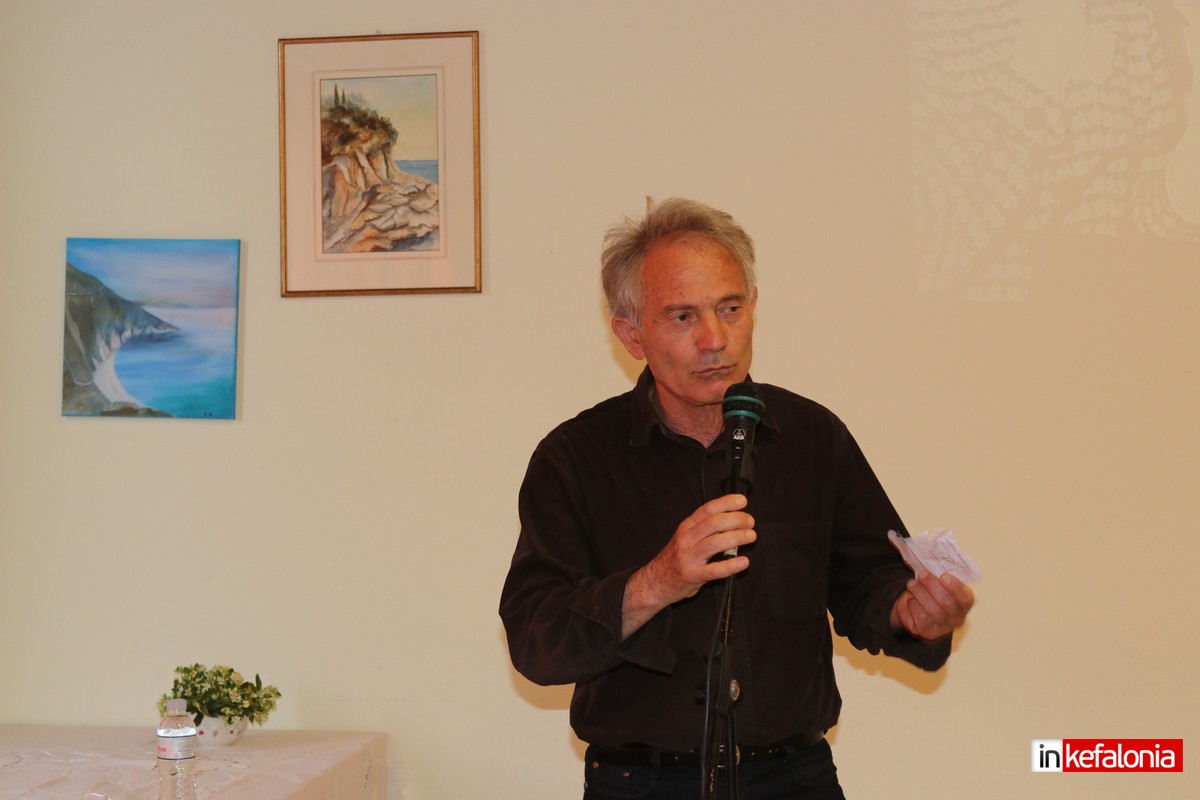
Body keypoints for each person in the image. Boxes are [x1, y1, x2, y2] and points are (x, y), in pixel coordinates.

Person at [499, 198, 974, 799]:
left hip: (794, 778)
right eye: (682, 317)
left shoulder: (812, 437)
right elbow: (537, 641)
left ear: (753, 307)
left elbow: (870, 584)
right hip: (641, 784)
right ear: (631, 335)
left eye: (730, 308)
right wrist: (659, 581)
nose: (714, 339)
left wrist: (913, 614)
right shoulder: (575, 459)